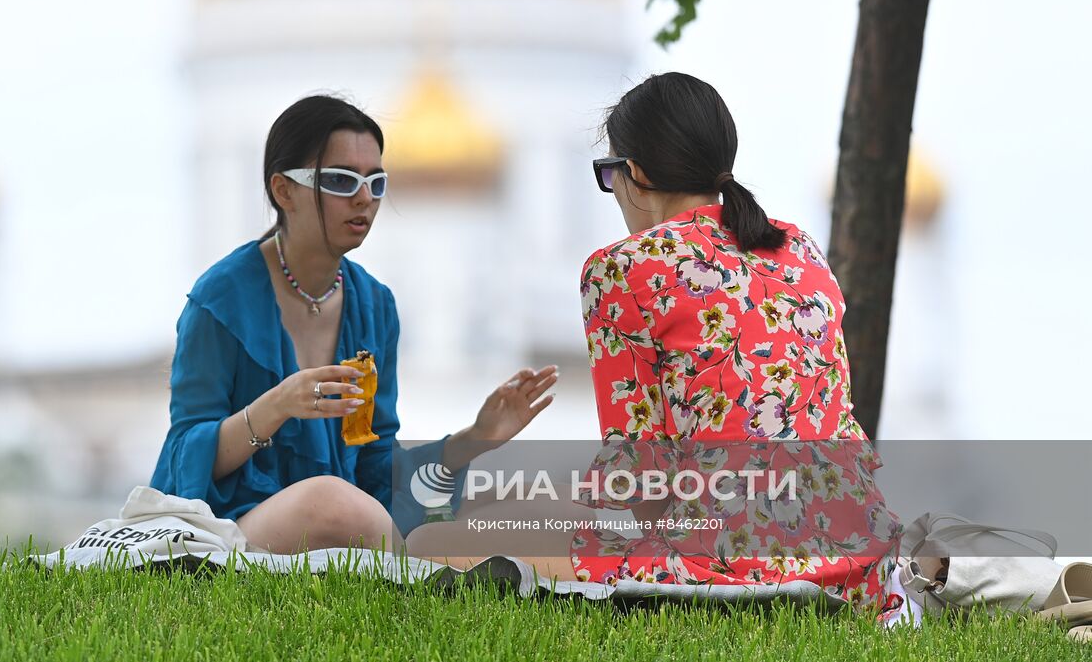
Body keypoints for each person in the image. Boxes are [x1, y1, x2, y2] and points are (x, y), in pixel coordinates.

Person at [408, 73, 899, 615]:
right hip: (861, 565)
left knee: (434, 543)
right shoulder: (799, 248)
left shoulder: (623, 268)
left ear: (633, 172)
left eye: (609, 175)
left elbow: (641, 479)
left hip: (733, 571)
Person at [150, 94, 558, 554]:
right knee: (327, 499)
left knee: (525, 511)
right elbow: (188, 457)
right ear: (284, 190)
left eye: (376, 182)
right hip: (222, 530)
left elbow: (376, 469)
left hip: (338, 524)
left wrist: (475, 440)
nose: (364, 198)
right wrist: (279, 404)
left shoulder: (375, 306)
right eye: (342, 180)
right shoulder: (220, 300)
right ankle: (414, 598)